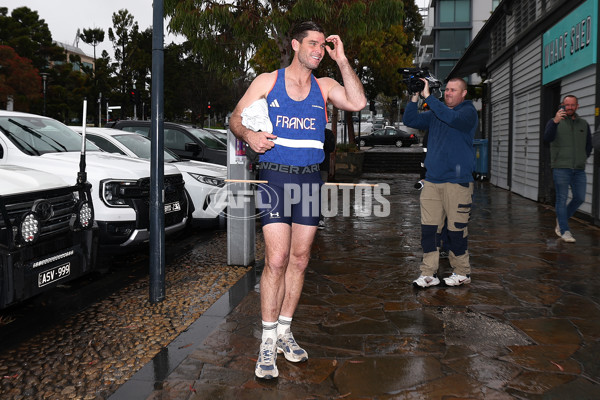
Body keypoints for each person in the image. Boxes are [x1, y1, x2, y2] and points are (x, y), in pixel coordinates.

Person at [229, 21, 366, 379]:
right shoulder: (268, 81)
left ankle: (285, 331)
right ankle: (267, 342)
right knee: (276, 259)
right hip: (274, 177)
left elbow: (358, 101)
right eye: (313, 44)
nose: (319, 50)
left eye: (324, 45)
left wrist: (342, 60)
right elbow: (235, 118)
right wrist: (249, 135)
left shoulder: (325, 86)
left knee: (300, 259)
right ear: (295, 45)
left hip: (309, 181)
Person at [403, 77, 478, 288]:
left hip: (458, 182)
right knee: (429, 230)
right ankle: (429, 274)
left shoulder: (468, 112)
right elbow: (410, 119)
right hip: (432, 181)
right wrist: (415, 95)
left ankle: (462, 272)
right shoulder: (436, 113)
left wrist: (429, 97)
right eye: (447, 90)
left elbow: (450, 118)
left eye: (453, 90)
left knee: (456, 231)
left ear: (464, 94)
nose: (448, 93)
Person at [543, 95, 592, 243]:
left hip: (578, 168)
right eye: (567, 105)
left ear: (577, 106)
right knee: (562, 198)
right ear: (562, 105)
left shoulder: (583, 124)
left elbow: (588, 145)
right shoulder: (554, 122)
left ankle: (561, 219)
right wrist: (555, 122)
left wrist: (582, 158)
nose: (569, 107)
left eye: (572, 105)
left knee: (580, 197)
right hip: (561, 167)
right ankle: (564, 230)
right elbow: (547, 139)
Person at [318, 128, 336, 229]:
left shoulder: (328, 133)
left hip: (322, 168)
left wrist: (321, 136)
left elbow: (331, 148)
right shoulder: (309, 130)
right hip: (307, 167)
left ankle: (320, 219)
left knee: (321, 194)